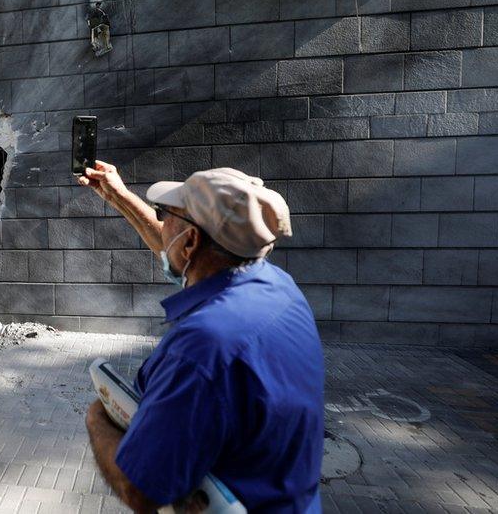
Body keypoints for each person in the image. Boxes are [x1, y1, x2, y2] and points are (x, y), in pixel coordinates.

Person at [79, 161, 324, 513]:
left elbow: (142, 490)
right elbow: (176, 254)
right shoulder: (277, 287)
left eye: (167, 215)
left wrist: (97, 418)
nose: (162, 225)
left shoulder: (201, 348)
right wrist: (118, 196)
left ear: (191, 240)